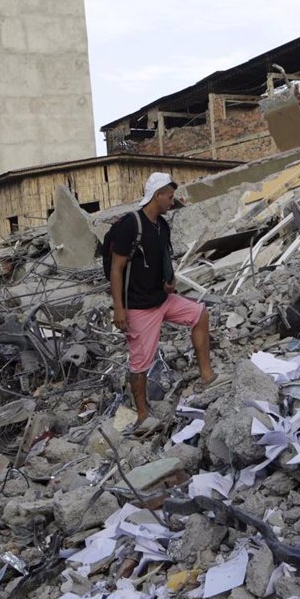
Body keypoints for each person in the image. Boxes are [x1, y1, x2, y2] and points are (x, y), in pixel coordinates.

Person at [109, 173, 216, 435]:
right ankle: (143, 415)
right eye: (169, 196)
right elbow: (116, 268)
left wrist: (168, 282)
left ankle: (207, 375)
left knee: (199, 313)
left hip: (162, 298)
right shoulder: (130, 225)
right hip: (138, 306)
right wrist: (119, 308)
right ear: (157, 195)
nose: (172, 201)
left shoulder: (162, 225)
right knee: (140, 363)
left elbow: (163, 258)